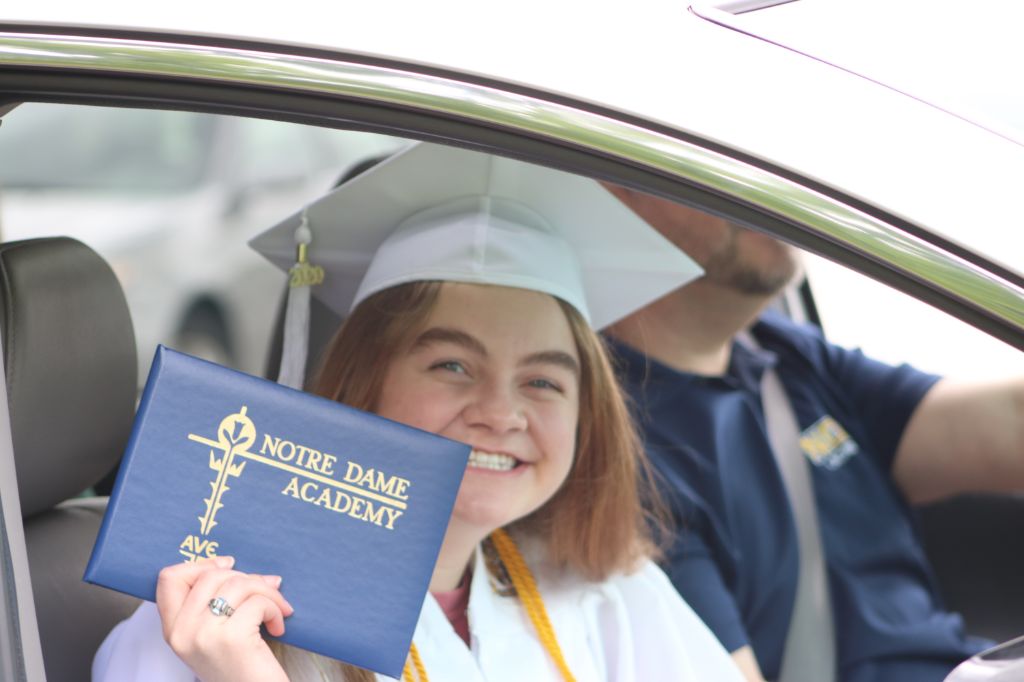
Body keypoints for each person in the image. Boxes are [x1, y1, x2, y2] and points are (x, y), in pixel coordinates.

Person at [92, 143, 745, 681]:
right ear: (364, 381)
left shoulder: (613, 599)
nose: (500, 411)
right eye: (452, 366)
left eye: (543, 381)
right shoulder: (212, 624)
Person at [601, 185, 1022, 682]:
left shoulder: (783, 356)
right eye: (722, 166)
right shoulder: (618, 450)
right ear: (616, 194)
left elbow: (1011, 422)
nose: (765, 187)